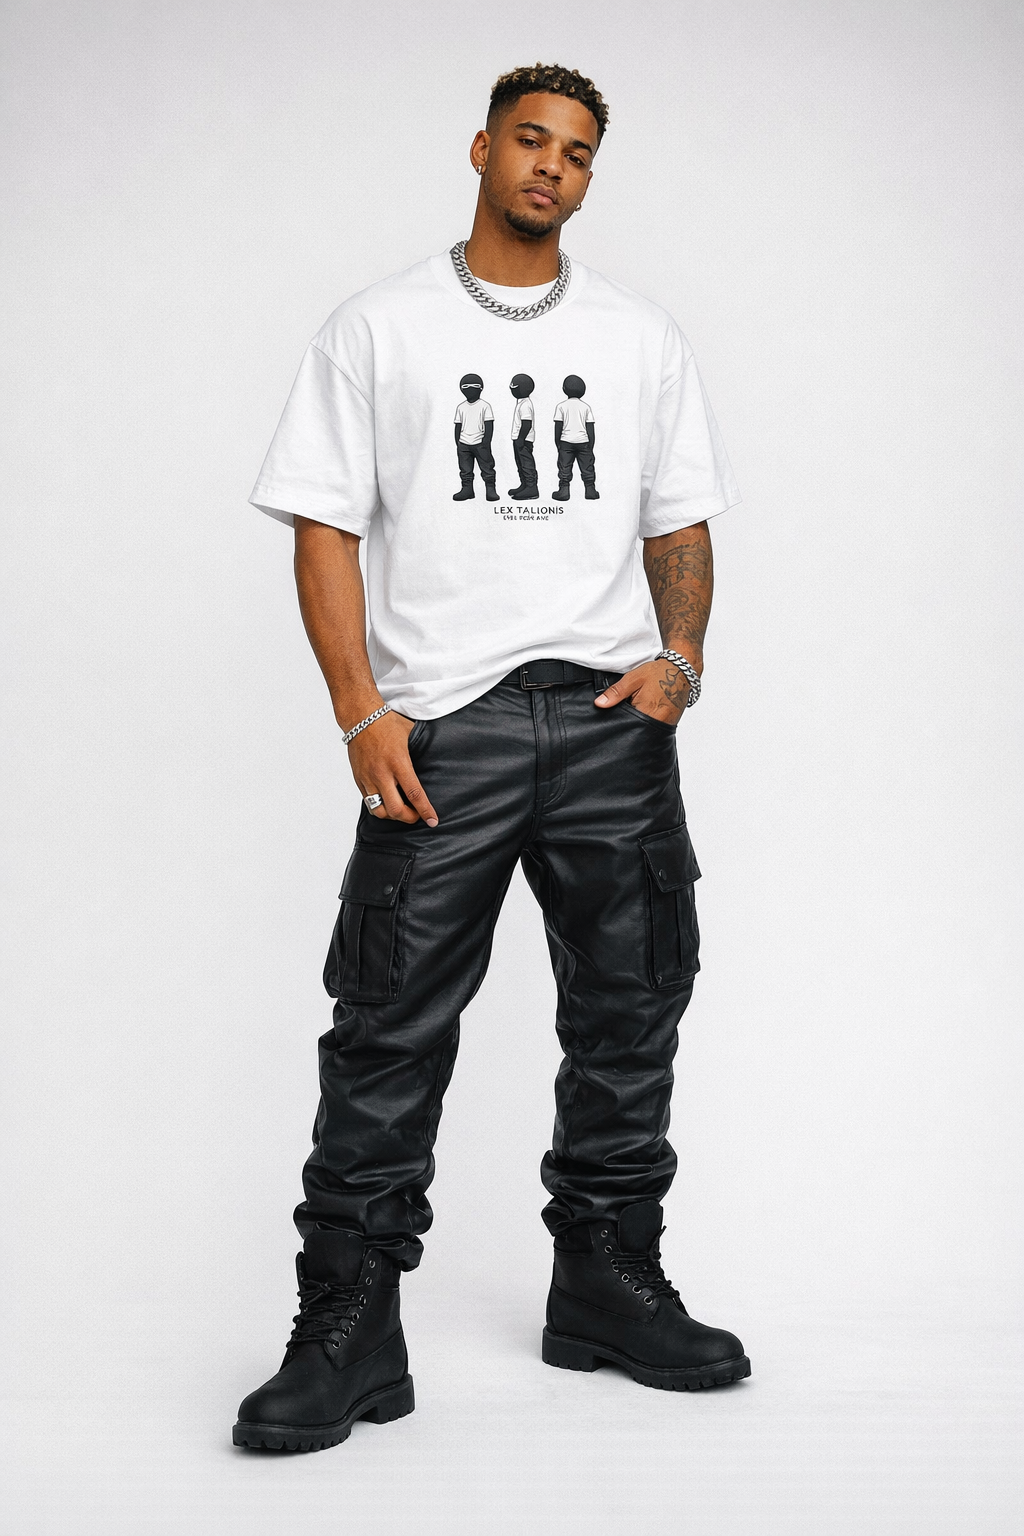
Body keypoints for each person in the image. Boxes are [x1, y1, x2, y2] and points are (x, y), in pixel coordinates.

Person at [235, 61, 748, 1454]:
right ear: (481, 149)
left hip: (607, 727)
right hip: (444, 733)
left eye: (576, 153)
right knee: (386, 1028)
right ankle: (348, 1330)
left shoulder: (639, 336)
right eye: (531, 141)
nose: (551, 167)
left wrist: (680, 662)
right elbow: (324, 524)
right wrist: (362, 710)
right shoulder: (378, 327)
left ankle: (607, 1283)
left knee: (631, 1013)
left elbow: (679, 516)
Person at [453, 372, 498, 501]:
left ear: (480, 388)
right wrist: (458, 443)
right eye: (466, 387)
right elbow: (458, 426)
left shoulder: (485, 406)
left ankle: (490, 490)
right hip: (463, 443)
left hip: (480, 443)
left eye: (474, 386)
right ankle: (467, 490)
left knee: (487, 468)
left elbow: (489, 425)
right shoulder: (461, 407)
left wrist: (486, 442)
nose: (470, 389)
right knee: (465, 469)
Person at [553, 373, 598, 498]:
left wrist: (558, 444)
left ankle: (564, 491)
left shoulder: (561, 406)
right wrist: (590, 446)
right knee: (587, 467)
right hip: (583, 442)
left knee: (564, 467)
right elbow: (590, 428)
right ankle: (590, 491)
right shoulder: (586, 407)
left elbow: (558, 427)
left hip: (566, 441)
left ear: (564, 389)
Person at [508, 372, 538, 498]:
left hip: (524, 440)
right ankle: (524, 485)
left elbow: (527, 423)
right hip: (519, 439)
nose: (511, 390)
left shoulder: (525, 404)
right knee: (520, 463)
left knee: (526, 464)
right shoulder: (521, 402)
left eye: (514, 387)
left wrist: (521, 438)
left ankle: (532, 488)